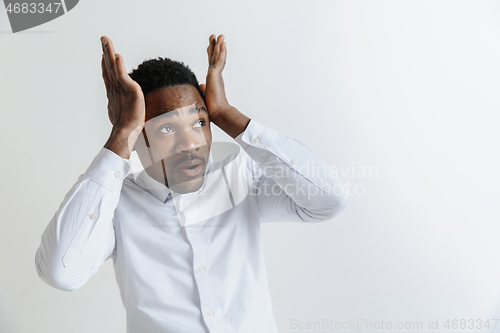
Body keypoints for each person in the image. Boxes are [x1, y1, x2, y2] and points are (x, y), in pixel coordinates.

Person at [35, 34, 350, 333]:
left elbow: (328, 199)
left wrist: (226, 113)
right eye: (167, 129)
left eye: (200, 122)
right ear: (139, 135)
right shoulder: (116, 205)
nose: (190, 143)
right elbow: (61, 272)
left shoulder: (240, 177)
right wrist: (121, 132)